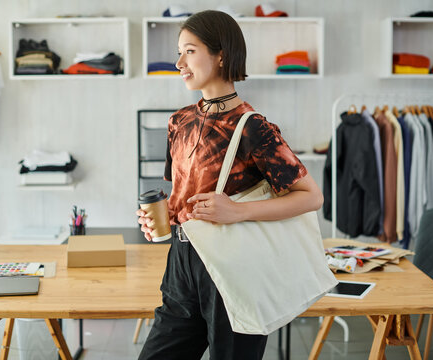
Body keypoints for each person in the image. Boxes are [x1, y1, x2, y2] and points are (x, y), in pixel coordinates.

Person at [136, 10, 323, 360]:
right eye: (179, 51)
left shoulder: (255, 128)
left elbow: (311, 196)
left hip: (234, 270)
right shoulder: (179, 121)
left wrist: (238, 211)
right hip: (182, 264)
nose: (179, 62)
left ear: (221, 54)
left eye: (189, 51)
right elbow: (181, 195)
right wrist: (157, 221)